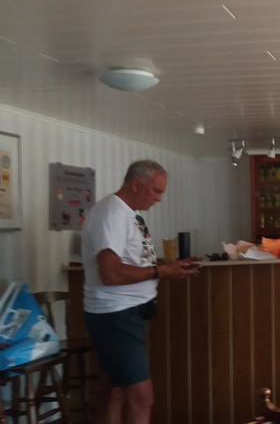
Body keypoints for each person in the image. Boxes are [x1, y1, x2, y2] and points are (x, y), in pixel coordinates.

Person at [81, 159, 201, 424]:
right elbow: (110, 273)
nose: (159, 198)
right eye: (156, 191)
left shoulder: (128, 214)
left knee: (115, 393)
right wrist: (162, 272)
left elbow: (134, 262)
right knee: (141, 398)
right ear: (136, 184)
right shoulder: (112, 213)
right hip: (115, 315)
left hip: (127, 314)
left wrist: (169, 266)